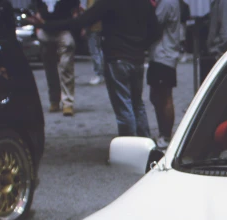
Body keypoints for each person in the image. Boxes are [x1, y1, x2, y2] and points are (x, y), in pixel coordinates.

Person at [31, 0, 160, 136]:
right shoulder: (144, 2)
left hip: (116, 56)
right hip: (137, 58)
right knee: (137, 104)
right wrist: (140, 46)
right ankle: (145, 143)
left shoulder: (109, 3)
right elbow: (156, 31)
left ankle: (128, 147)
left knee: (124, 108)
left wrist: (45, 25)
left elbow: (81, 21)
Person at [148, 0, 183, 149]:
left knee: (164, 97)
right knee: (156, 96)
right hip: (161, 55)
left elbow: (154, 25)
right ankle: (164, 132)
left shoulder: (167, 3)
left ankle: (166, 135)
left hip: (164, 55)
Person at [34, 0, 79, 116]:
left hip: (63, 30)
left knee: (66, 67)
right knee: (50, 69)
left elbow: (75, 11)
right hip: (47, 30)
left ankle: (67, 103)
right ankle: (55, 100)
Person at [201, 0, 227, 84]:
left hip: (220, 56)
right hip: (219, 55)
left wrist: (216, 50)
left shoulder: (226, 2)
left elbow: (226, 35)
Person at [85, 0, 104, 85]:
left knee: (95, 51)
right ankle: (103, 73)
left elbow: (90, 12)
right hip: (101, 26)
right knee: (100, 50)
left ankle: (99, 74)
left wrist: (85, 26)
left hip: (94, 27)